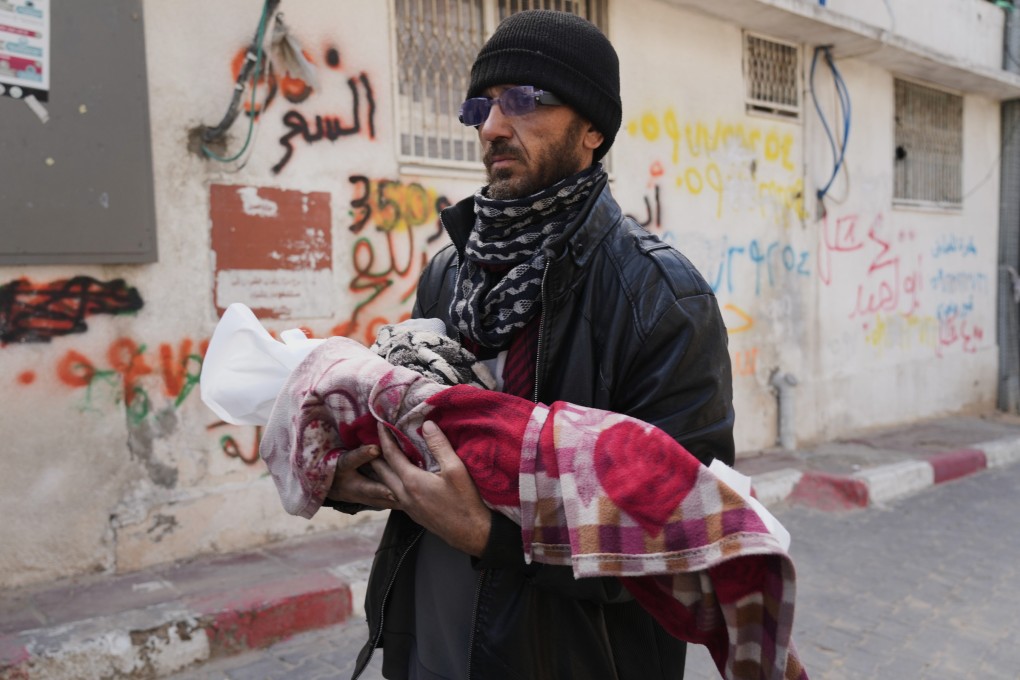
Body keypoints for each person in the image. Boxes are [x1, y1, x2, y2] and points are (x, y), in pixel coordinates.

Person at [328, 10, 735, 680]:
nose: (491, 126)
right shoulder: (449, 274)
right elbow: (414, 435)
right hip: (431, 646)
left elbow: (684, 536)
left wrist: (496, 539)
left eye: (524, 100)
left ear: (594, 128)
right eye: (481, 106)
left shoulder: (660, 298)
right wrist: (351, 473)